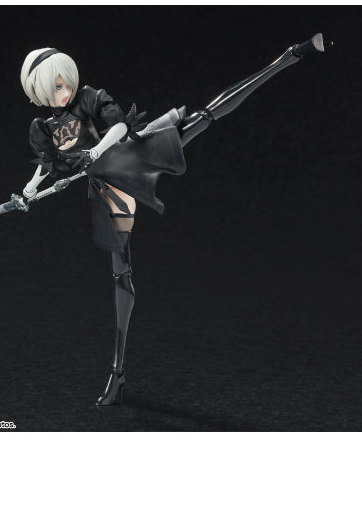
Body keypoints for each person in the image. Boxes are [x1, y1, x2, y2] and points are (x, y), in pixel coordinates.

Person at [19, 34, 330, 406]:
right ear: (38, 91)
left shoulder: (87, 97)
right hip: (109, 188)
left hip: (128, 157)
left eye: (63, 82)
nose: (63, 91)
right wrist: (28, 192)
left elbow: (118, 127)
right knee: (121, 276)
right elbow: (47, 166)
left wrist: (95, 151)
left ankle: (288, 57)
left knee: (202, 119)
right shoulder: (42, 127)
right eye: (54, 87)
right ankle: (118, 372)